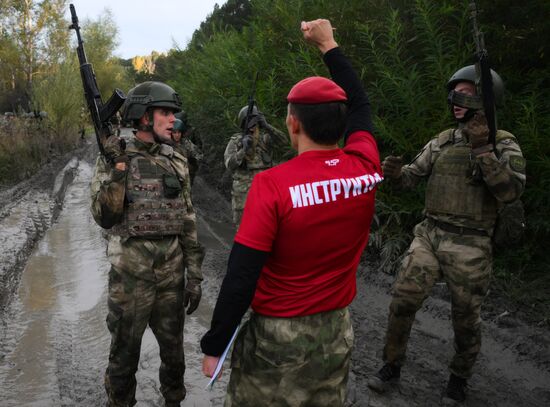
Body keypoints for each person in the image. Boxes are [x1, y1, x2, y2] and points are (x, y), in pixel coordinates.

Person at [201, 19, 381, 406]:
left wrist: (215, 344)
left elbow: (241, 274)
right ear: (343, 122)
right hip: (336, 330)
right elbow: (362, 104)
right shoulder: (365, 167)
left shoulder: (273, 185)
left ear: (292, 123)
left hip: (277, 339)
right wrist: (329, 44)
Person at [367, 66, 526, 403]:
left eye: (465, 93)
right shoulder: (443, 140)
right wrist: (396, 175)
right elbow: (413, 176)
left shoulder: (504, 142)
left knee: (465, 318)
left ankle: (458, 379)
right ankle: (391, 365)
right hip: (430, 234)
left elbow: (511, 192)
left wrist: (483, 150)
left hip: (471, 242)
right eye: (454, 93)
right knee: (402, 301)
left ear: (486, 100)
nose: (456, 100)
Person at [90, 81, 205, 407]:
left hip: (171, 274)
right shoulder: (114, 157)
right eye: (165, 113)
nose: (173, 120)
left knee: (175, 356)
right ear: (143, 116)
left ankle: (174, 401)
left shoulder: (176, 159)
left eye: (173, 113)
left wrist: (194, 275)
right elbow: (104, 215)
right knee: (124, 356)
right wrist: (118, 169)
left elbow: (187, 219)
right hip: (130, 278)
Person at [224, 102, 288, 226]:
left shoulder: (265, 139)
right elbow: (229, 165)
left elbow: (284, 142)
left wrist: (267, 126)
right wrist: (243, 150)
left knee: (268, 225)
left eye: (255, 121)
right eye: (249, 122)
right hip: (244, 193)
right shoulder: (236, 141)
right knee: (244, 228)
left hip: (265, 190)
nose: (252, 126)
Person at [172, 118, 203, 185]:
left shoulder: (186, 143)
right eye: (174, 132)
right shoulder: (167, 143)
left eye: (179, 132)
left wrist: (192, 161)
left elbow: (199, 154)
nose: (177, 135)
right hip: (172, 175)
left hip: (185, 174)